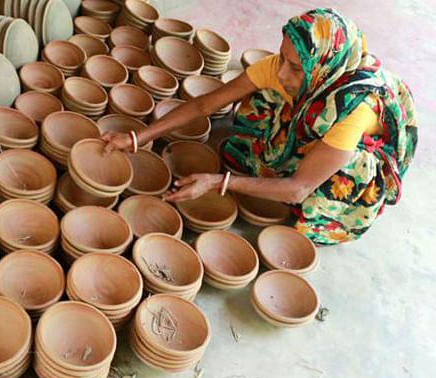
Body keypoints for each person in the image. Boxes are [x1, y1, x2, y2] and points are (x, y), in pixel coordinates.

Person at [102, 8, 417, 245]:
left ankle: (340, 196)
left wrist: (217, 183)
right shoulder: (285, 69)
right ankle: (290, 148)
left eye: (295, 67)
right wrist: (135, 137)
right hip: (314, 115)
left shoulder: (353, 109)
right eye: (282, 58)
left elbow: (298, 189)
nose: (281, 73)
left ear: (321, 67)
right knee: (262, 101)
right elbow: (204, 105)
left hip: (359, 153)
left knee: (318, 194)